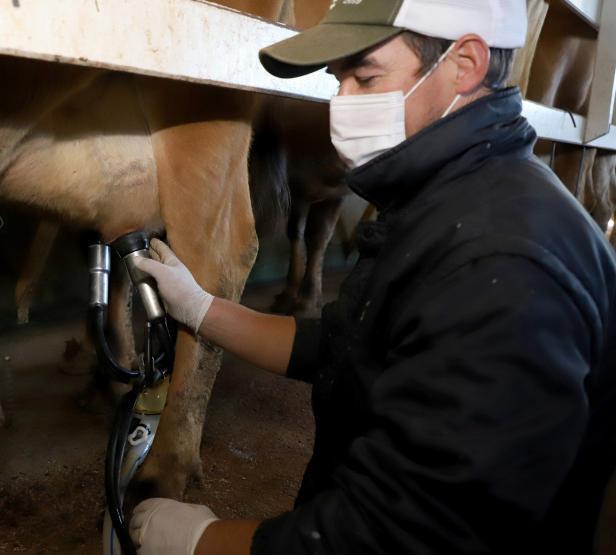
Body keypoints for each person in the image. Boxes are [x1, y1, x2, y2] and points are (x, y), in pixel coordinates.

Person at [127, 0, 616, 554]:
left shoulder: (504, 262)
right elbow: (350, 344)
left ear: (465, 63)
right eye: (339, 80)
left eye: (365, 76)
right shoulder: (450, 198)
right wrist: (202, 308)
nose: (343, 104)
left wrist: (200, 541)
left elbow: (403, 536)